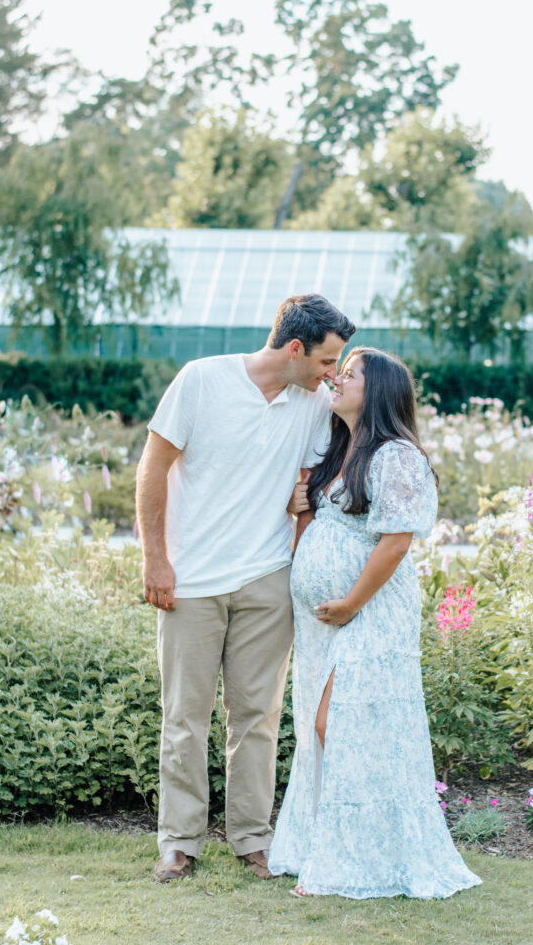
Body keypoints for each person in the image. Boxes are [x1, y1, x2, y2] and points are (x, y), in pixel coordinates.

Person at [136, 294, 355, 884]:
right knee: (185, 716)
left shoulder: (311, 405)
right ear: (294, 348)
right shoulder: (200, 381)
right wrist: (156, 560)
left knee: (257, 718)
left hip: (266, 579)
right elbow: (152, 468)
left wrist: (300, 526)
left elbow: (307, 487)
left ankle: (253, 841)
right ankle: (179, 843)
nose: (331, 374)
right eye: (327, 361)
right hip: (191, 580)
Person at [268, 348, 482, 899]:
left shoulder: (396, 456)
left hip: (371, 611)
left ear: (379, 390)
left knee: (337, 724)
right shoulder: (341, 449)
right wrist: (303, 511)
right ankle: (339, 852)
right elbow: (319, 537)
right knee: (328, 728)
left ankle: (352, 858)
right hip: (326, 621)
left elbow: (395, 542)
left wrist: (350, 604)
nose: (337, 379)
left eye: (350, 373)